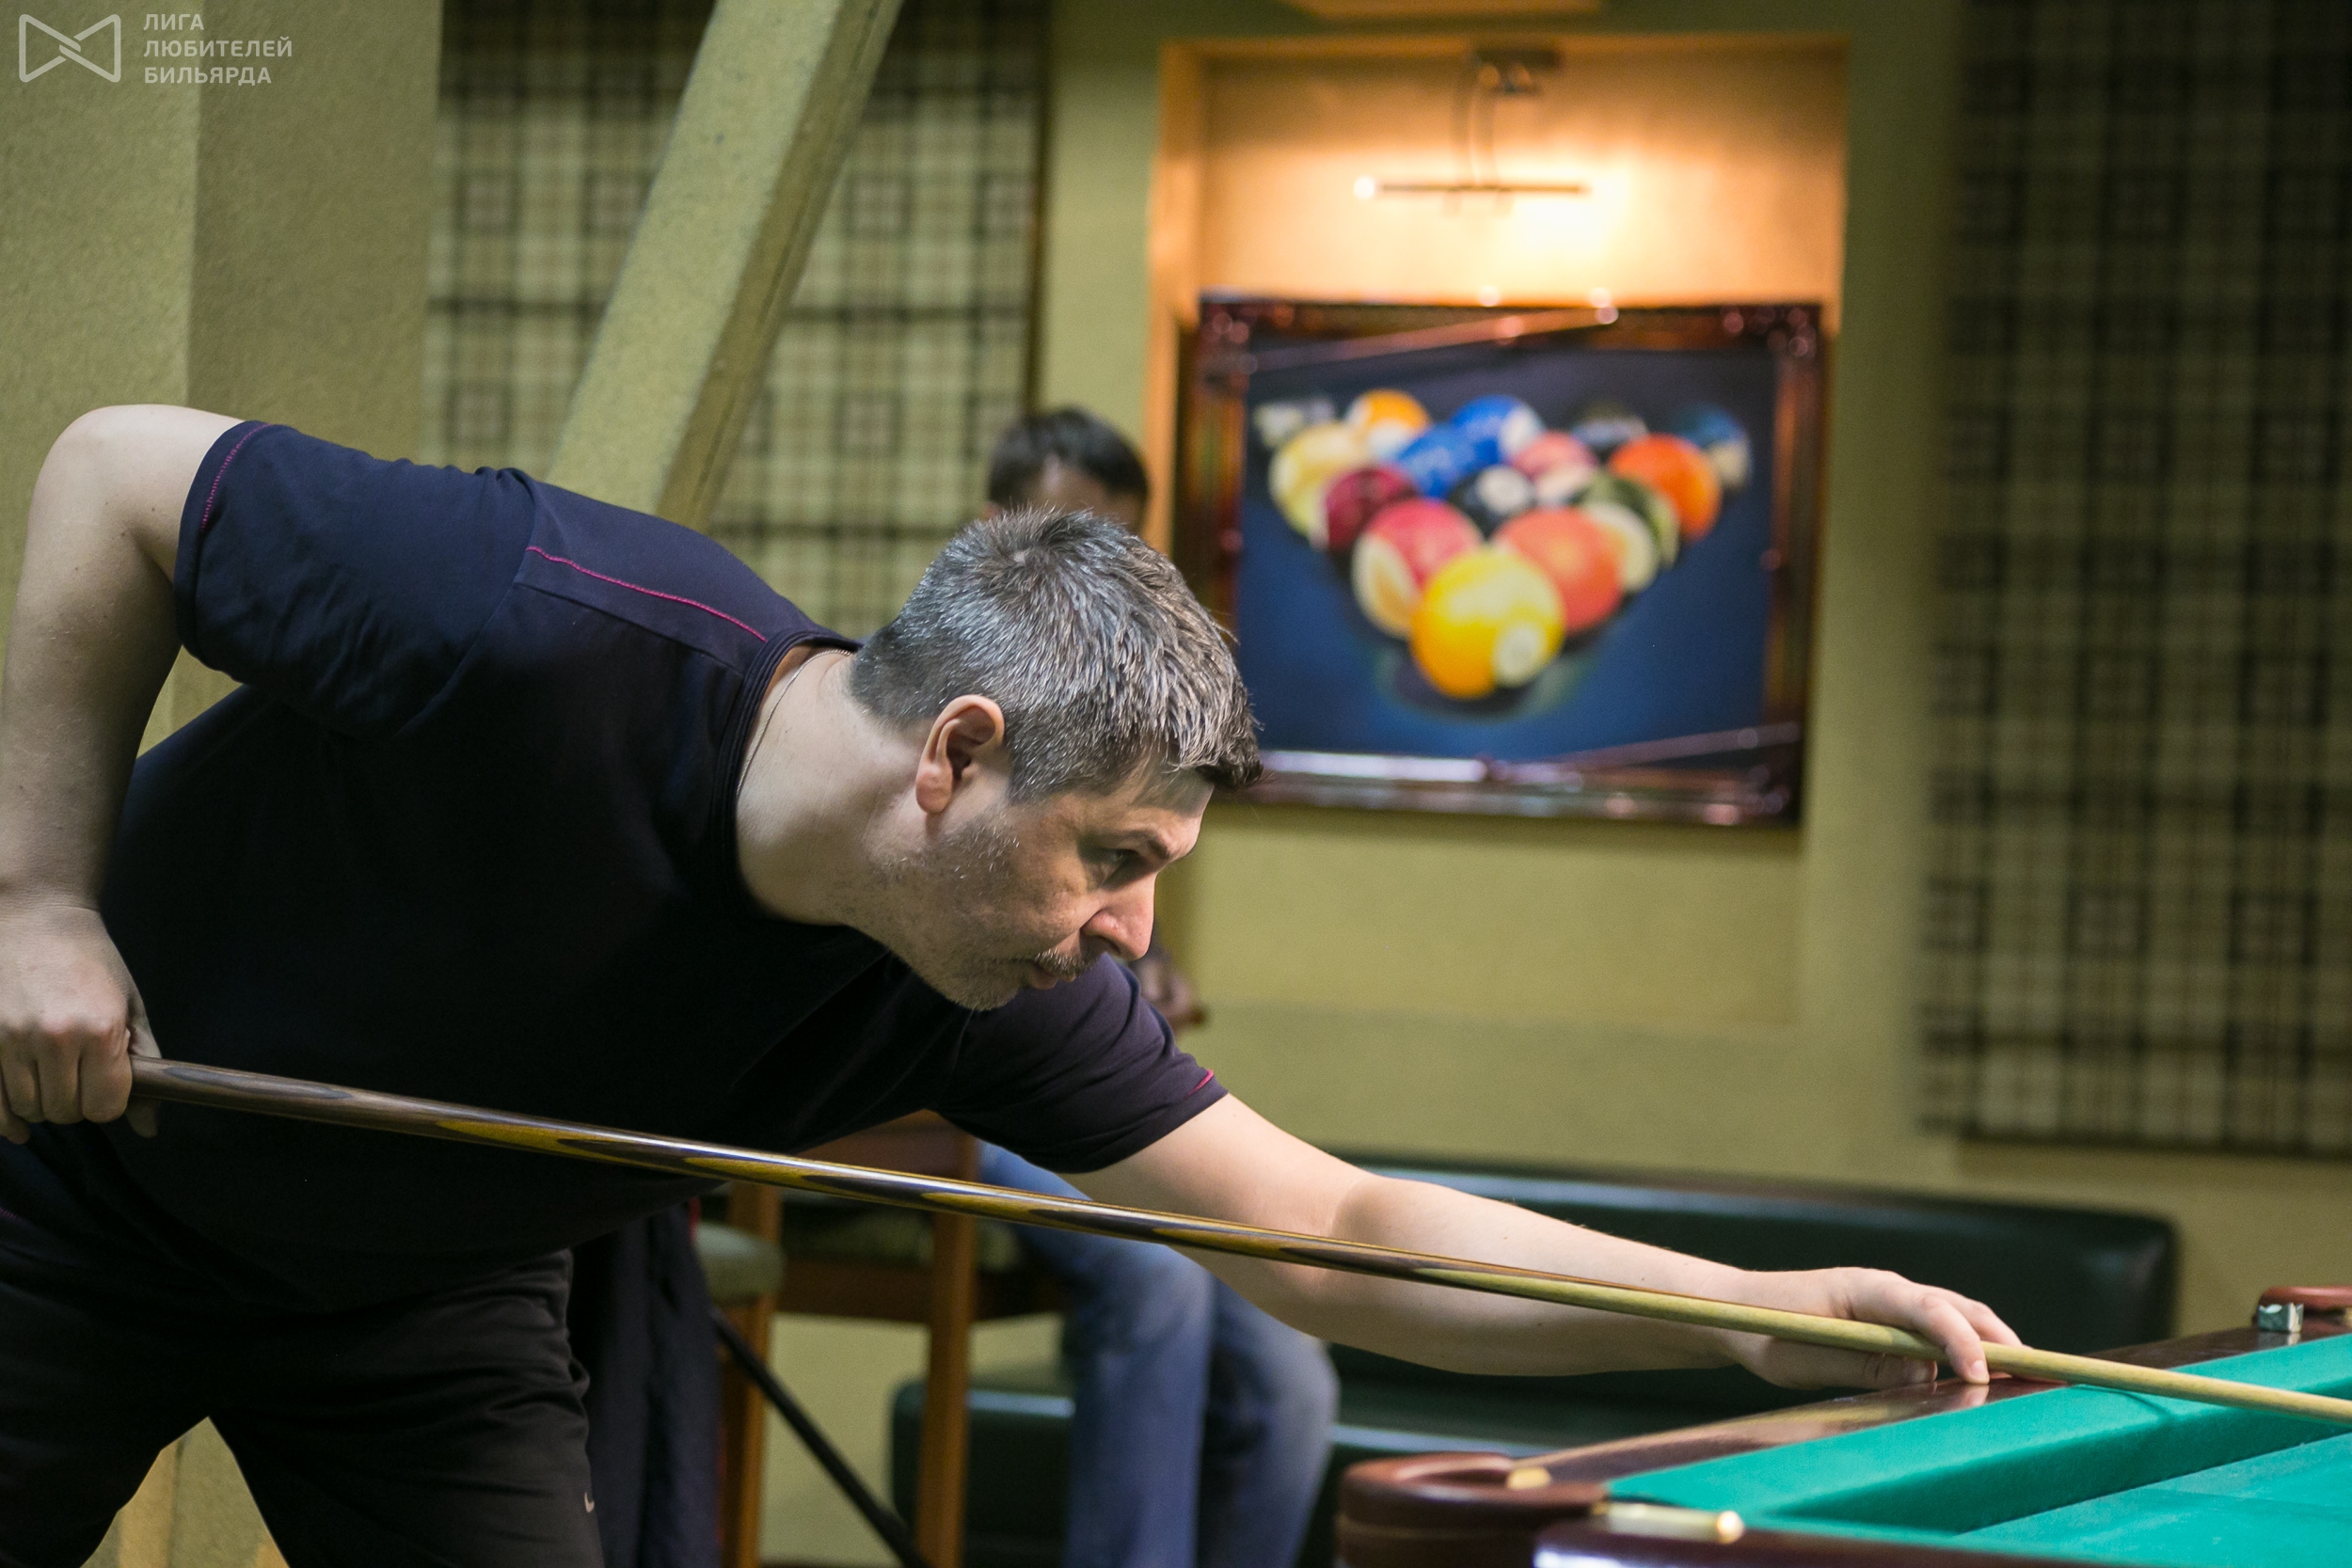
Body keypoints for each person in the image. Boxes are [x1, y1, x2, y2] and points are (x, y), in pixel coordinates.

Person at [0, 406, 2019, 1568]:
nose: (1130, 932)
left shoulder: (980, 968)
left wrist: (1746, 1312)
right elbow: (114, 475)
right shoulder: (532, 615)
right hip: (72, 1202)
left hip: (421, 1302)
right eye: (1113, 856)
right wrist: (37, 903)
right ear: (956, 754)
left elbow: (1329, 1225)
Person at [975, 408, 1335, 1568]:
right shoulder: (934, 688)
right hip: (959, 1093)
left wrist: (1151, 962)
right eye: (1069, 529)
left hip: (1078, 1079)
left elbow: (1118, 926)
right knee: (1153, 1274)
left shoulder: (1117, 713)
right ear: (995, 526)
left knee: (1290, 1366)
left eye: (1120, 542)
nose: (1099, 571)